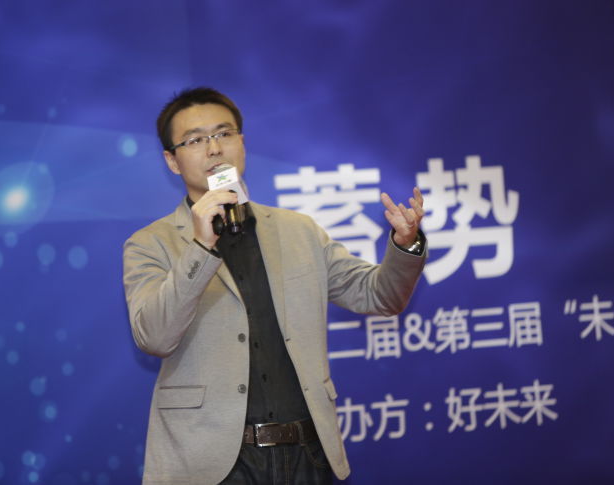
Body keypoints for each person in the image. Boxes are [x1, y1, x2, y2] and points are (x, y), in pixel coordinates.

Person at [123, 87, 427, 485]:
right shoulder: (150, 244)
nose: (214, 149)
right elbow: (154, 337)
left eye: (224, 134)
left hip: (306, 452)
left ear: (242, 143)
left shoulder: (298, 231)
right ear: (172, 160)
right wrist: (200, 247)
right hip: (211, 464)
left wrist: (405, 245)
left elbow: (379, 295)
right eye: (195, 140)